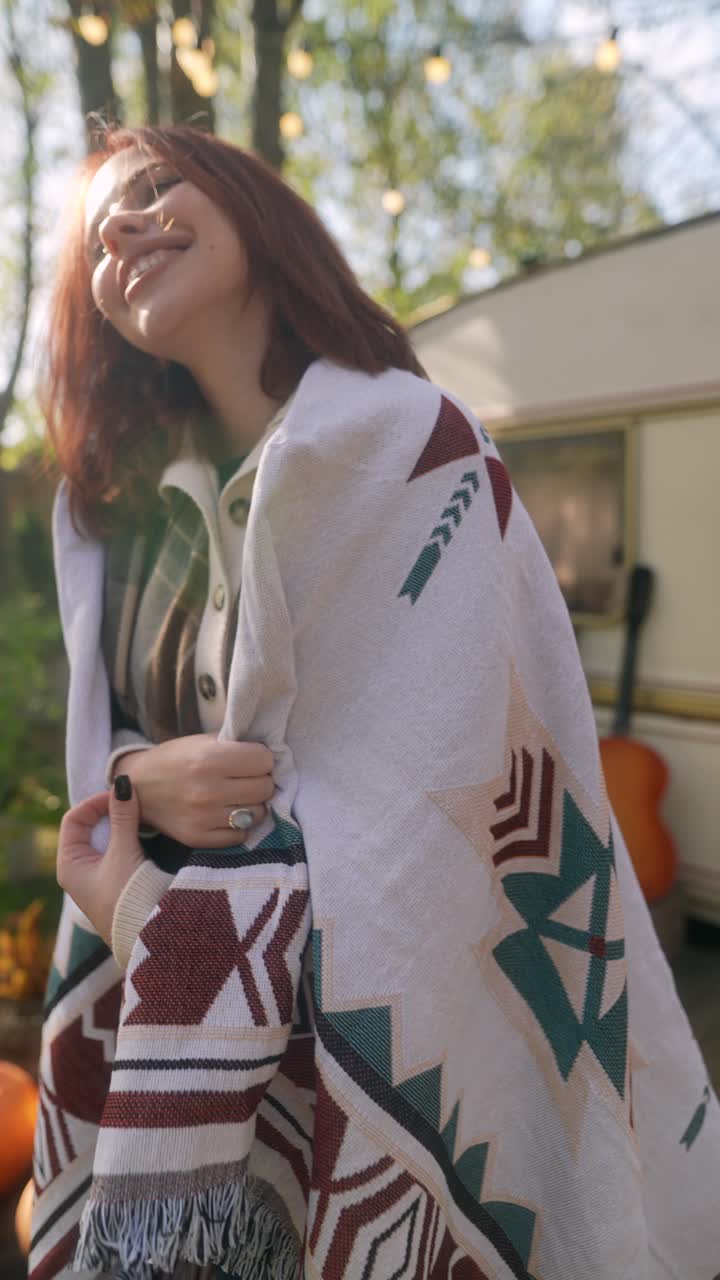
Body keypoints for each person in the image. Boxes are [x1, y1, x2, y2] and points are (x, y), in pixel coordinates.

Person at [31, 125, 720, 1280]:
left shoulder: (414, 452)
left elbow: (439, 848)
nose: (122, 230)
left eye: (155, 188)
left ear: (258, 211)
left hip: (392, 1043)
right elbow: (122, 756)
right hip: (188, 1055)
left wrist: (161, 912)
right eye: (98, 234)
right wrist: (136, 784)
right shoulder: (131, 514)